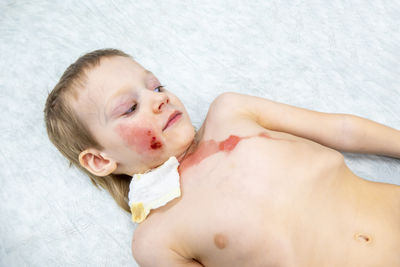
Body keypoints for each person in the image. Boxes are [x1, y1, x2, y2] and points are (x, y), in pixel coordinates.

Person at [44, 48, 400, 266]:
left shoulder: (232, 113)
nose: (159, 98)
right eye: (130, 107)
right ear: (100, 160)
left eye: (155, 86)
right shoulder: (156, 239)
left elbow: (342, 130)